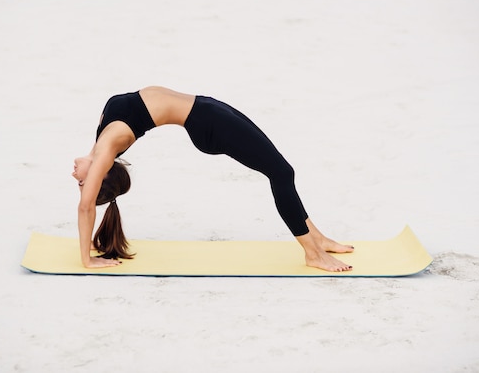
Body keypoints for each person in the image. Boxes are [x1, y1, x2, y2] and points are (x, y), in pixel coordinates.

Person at [72, 86, 354, 272]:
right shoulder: (108, 147)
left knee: (283, 171)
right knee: (281, 173)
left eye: (80, 182)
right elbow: (86, 207)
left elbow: (89, 197)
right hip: (208, 123)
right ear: (102, 173)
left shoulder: (100, 139)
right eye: (83, 183)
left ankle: (317, 238)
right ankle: (312, 253)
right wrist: (87, 259)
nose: (75, 176)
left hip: (207, 110)